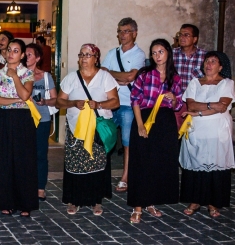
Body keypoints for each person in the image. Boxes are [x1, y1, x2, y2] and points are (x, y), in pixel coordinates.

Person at [56, 44, 119, 215]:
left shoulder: (105, 77)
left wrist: (99, 104)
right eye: (81, 54)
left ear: (96, 58)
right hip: (76, 129)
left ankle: (95, 201)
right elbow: (59, 102)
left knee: (96, 163)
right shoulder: (71, 78)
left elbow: (115, 101)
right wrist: (72, 103)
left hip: (97, 129)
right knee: (75, 164)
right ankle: (74, 200)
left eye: (88, 54)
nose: (84, 58)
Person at [128, 39, 183, 224]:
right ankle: (137, 206)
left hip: (165, 122)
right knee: (142, 162)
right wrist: (140, 125)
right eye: (153, 53)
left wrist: (174, 98)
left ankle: (150, 202)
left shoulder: (174, 76)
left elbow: (178, 105)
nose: (157, 56)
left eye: (160, 52)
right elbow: (135, 99)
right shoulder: (145, 74)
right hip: (145, 118)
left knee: (158, 163)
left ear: (168, 52)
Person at [0, 39, 38, 217]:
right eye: (9, 50)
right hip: (4, 119)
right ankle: (4, 201)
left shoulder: (27, 74)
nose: (11, 53)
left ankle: (25, 203)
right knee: (3, 160)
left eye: (16, 51)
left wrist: (14, 75)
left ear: (22, 55)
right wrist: (16, 100)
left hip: (23, 119)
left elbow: (26, 94)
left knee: (23, 160)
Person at [180, 52, 235, 217]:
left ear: (220, 67)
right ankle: (195, 200)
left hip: (218, 130)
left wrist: (201, 111)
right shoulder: (195, 82)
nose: (208, 64)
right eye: (206, 61)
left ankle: (213, 202)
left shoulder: (226, 83)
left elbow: (223, 107)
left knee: (215, 163)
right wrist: (212, 105)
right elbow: (191, 105)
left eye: (213, 61)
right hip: (197, 129)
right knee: (197, 162)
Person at [100, 18, 146, 194]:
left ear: (134, 33)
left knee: (127, 142)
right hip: (110, 102)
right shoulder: (112, 53)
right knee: (105, 138)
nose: (122, 35)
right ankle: (101, 175)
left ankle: (125, 177)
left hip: (127, 103)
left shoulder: (138, 54)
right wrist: (119, 76)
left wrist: (113, 74)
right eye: (120, 31)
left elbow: (130, 77)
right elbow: (102, 77)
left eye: (126, 31)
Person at [25, 43, 57, 201]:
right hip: (23, 118)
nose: (26, 56)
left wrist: (45, 102)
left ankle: (40, 187)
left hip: (42, 119)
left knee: (40, 154)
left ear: (37, 58)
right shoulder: (19, 74)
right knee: (24, 153)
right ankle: (25, 185)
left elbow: (55, 99)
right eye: (25, 54)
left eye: (29, 54)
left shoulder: (45, 77)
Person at [172, 24, 206, 127]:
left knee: (193, 133)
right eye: (180, 34)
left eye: (186, 35)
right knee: (175, 134)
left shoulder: (205, 56)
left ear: (195, 39)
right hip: (176, 102)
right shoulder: (171, 55)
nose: (182, 37)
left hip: (196, 102)